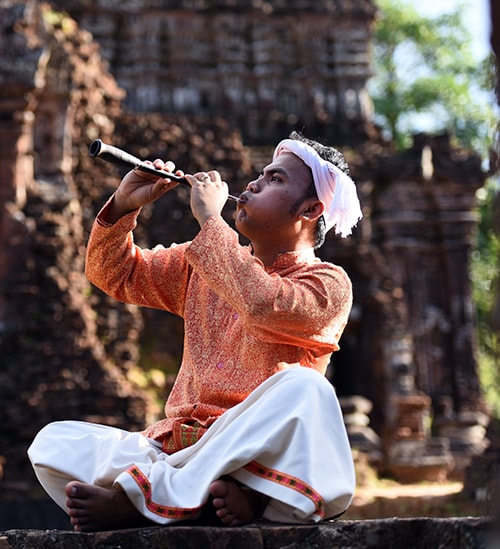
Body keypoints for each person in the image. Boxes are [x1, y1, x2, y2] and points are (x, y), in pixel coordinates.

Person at [28, 131, 362, 532]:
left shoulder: (328, 283)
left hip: (244, 449)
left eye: (275, 179)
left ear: (309, 209)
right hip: (180, 448)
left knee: (307, 389)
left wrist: (210, 220)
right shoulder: (201, 260)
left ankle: (143, 501)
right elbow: (114, 274)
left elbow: (260, 302)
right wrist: (123, 206)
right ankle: (200, 497)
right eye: (261, 174)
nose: (253, 183)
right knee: (53, 442)